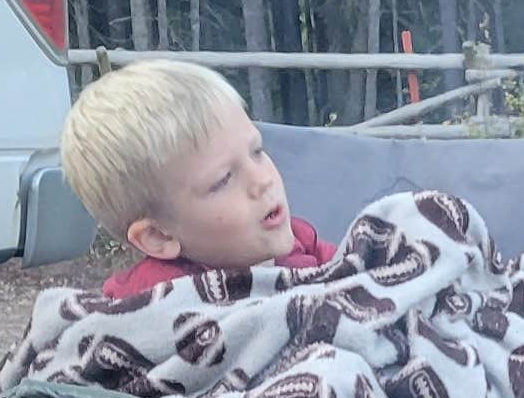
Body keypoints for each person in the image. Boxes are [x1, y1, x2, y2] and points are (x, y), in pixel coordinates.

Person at [54, 56, 334, 293]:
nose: (263, 181)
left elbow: (361, 269)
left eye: (257, 151)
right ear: (158, 236)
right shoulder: (158, 306)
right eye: (223, 180)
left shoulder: (299, 241)